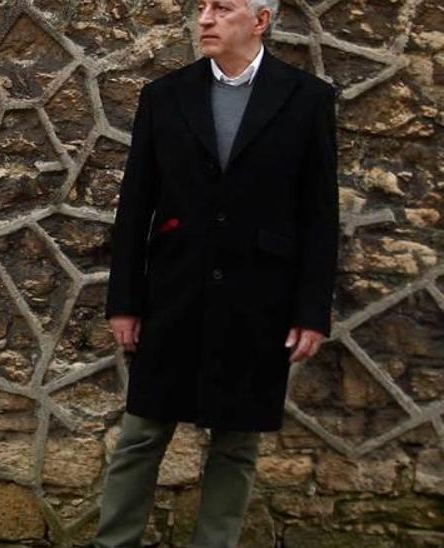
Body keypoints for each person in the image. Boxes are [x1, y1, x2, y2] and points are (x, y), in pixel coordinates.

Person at [93, 0, 339, 546]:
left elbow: (320, 216)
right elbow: (136, 206)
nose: (204, 18)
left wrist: (311, 311)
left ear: (260, 21)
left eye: (221, 8)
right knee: (141, 434)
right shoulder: (164, 96)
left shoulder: (307, 100)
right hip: (174, 293)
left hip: (261, 298)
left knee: (237, 443)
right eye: (200, 7)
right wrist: (125, 301)